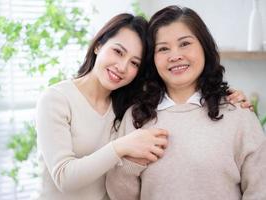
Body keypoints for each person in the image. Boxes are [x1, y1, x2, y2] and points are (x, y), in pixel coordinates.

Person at [106, 6, 266, 200]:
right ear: (152, 59)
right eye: (163, 48)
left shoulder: (237, 113)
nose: (175, 56)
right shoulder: (135, 117)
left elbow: (260, 189)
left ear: (204, 47)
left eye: (184, 44)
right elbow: (119, 196)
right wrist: (131, 162)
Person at [35, 13, 170, 200]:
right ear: (98, 45)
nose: (122, 67)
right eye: (118, 52)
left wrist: (220, 96)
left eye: (134, 63)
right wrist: (121, 146)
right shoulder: (57, 99)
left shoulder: (126, 107)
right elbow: (64, 178)